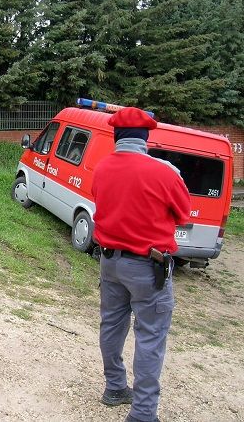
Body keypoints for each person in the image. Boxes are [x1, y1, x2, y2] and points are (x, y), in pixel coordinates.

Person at [91, 107, 191, 422]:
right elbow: (183, 214)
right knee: (150, 335)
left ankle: (115, 388)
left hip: (110, 262)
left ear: (116, 136)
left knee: (112, 325)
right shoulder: (165, 172)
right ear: (146, 137)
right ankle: (144, 412)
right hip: (149, 268)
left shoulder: (102, 168)